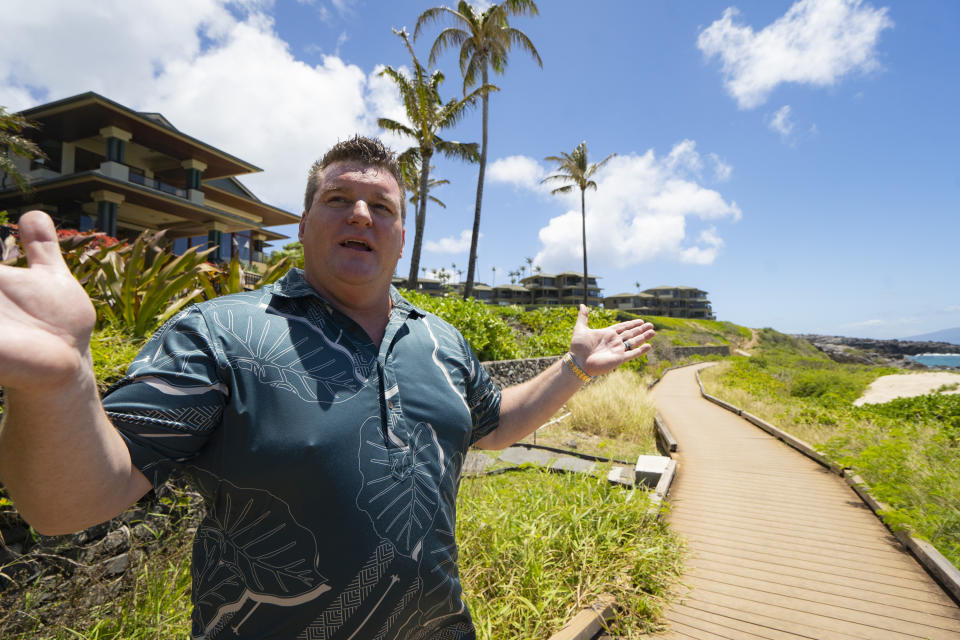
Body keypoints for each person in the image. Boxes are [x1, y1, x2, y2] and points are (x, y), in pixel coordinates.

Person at [0, 136, 654, 639]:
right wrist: (58, 388)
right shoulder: (222, 334)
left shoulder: (441, 341)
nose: (361, 215)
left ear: (401, 239)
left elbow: (494, 424)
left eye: (382, 208)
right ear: (306, 225)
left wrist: (573, 370)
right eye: (338, 200)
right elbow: (68, 507)